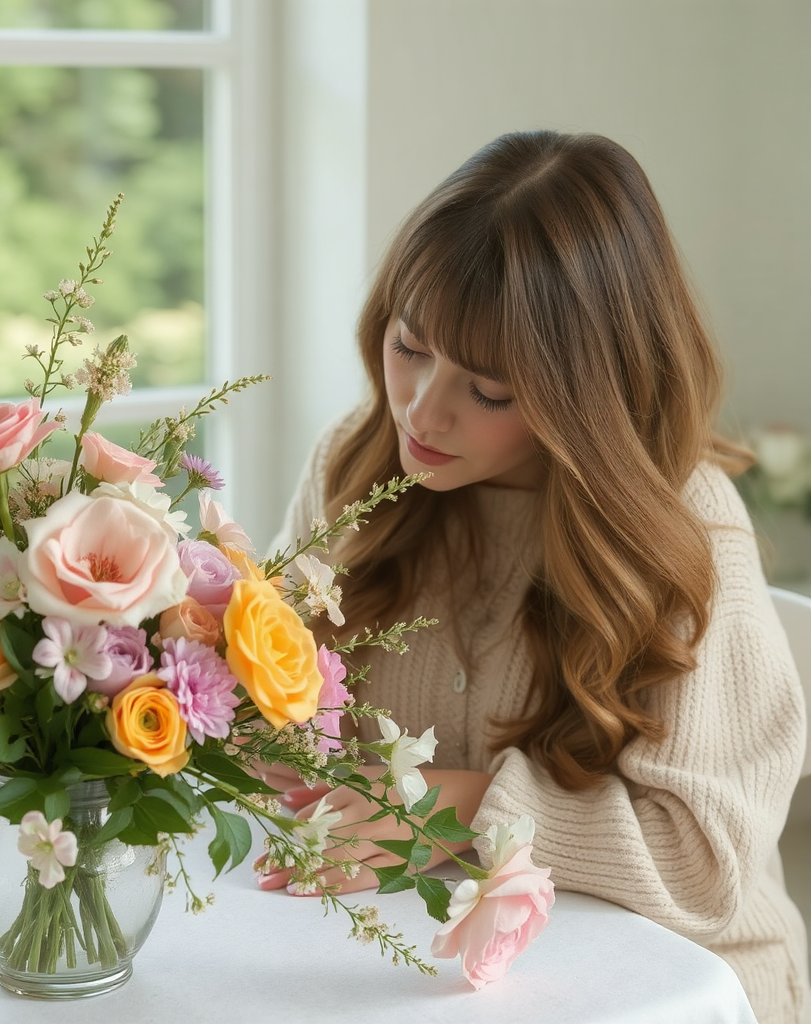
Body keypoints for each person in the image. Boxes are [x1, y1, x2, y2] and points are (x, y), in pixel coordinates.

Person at [256, 130, 810, 1024]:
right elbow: (278, 721)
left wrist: (453, 804)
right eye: (409, 345)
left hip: (671, 983)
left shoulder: (686, 528)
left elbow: (702, 867)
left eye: (491, 390)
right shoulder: (353, 468)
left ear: (586, 392)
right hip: (414, 961)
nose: (423, 410)